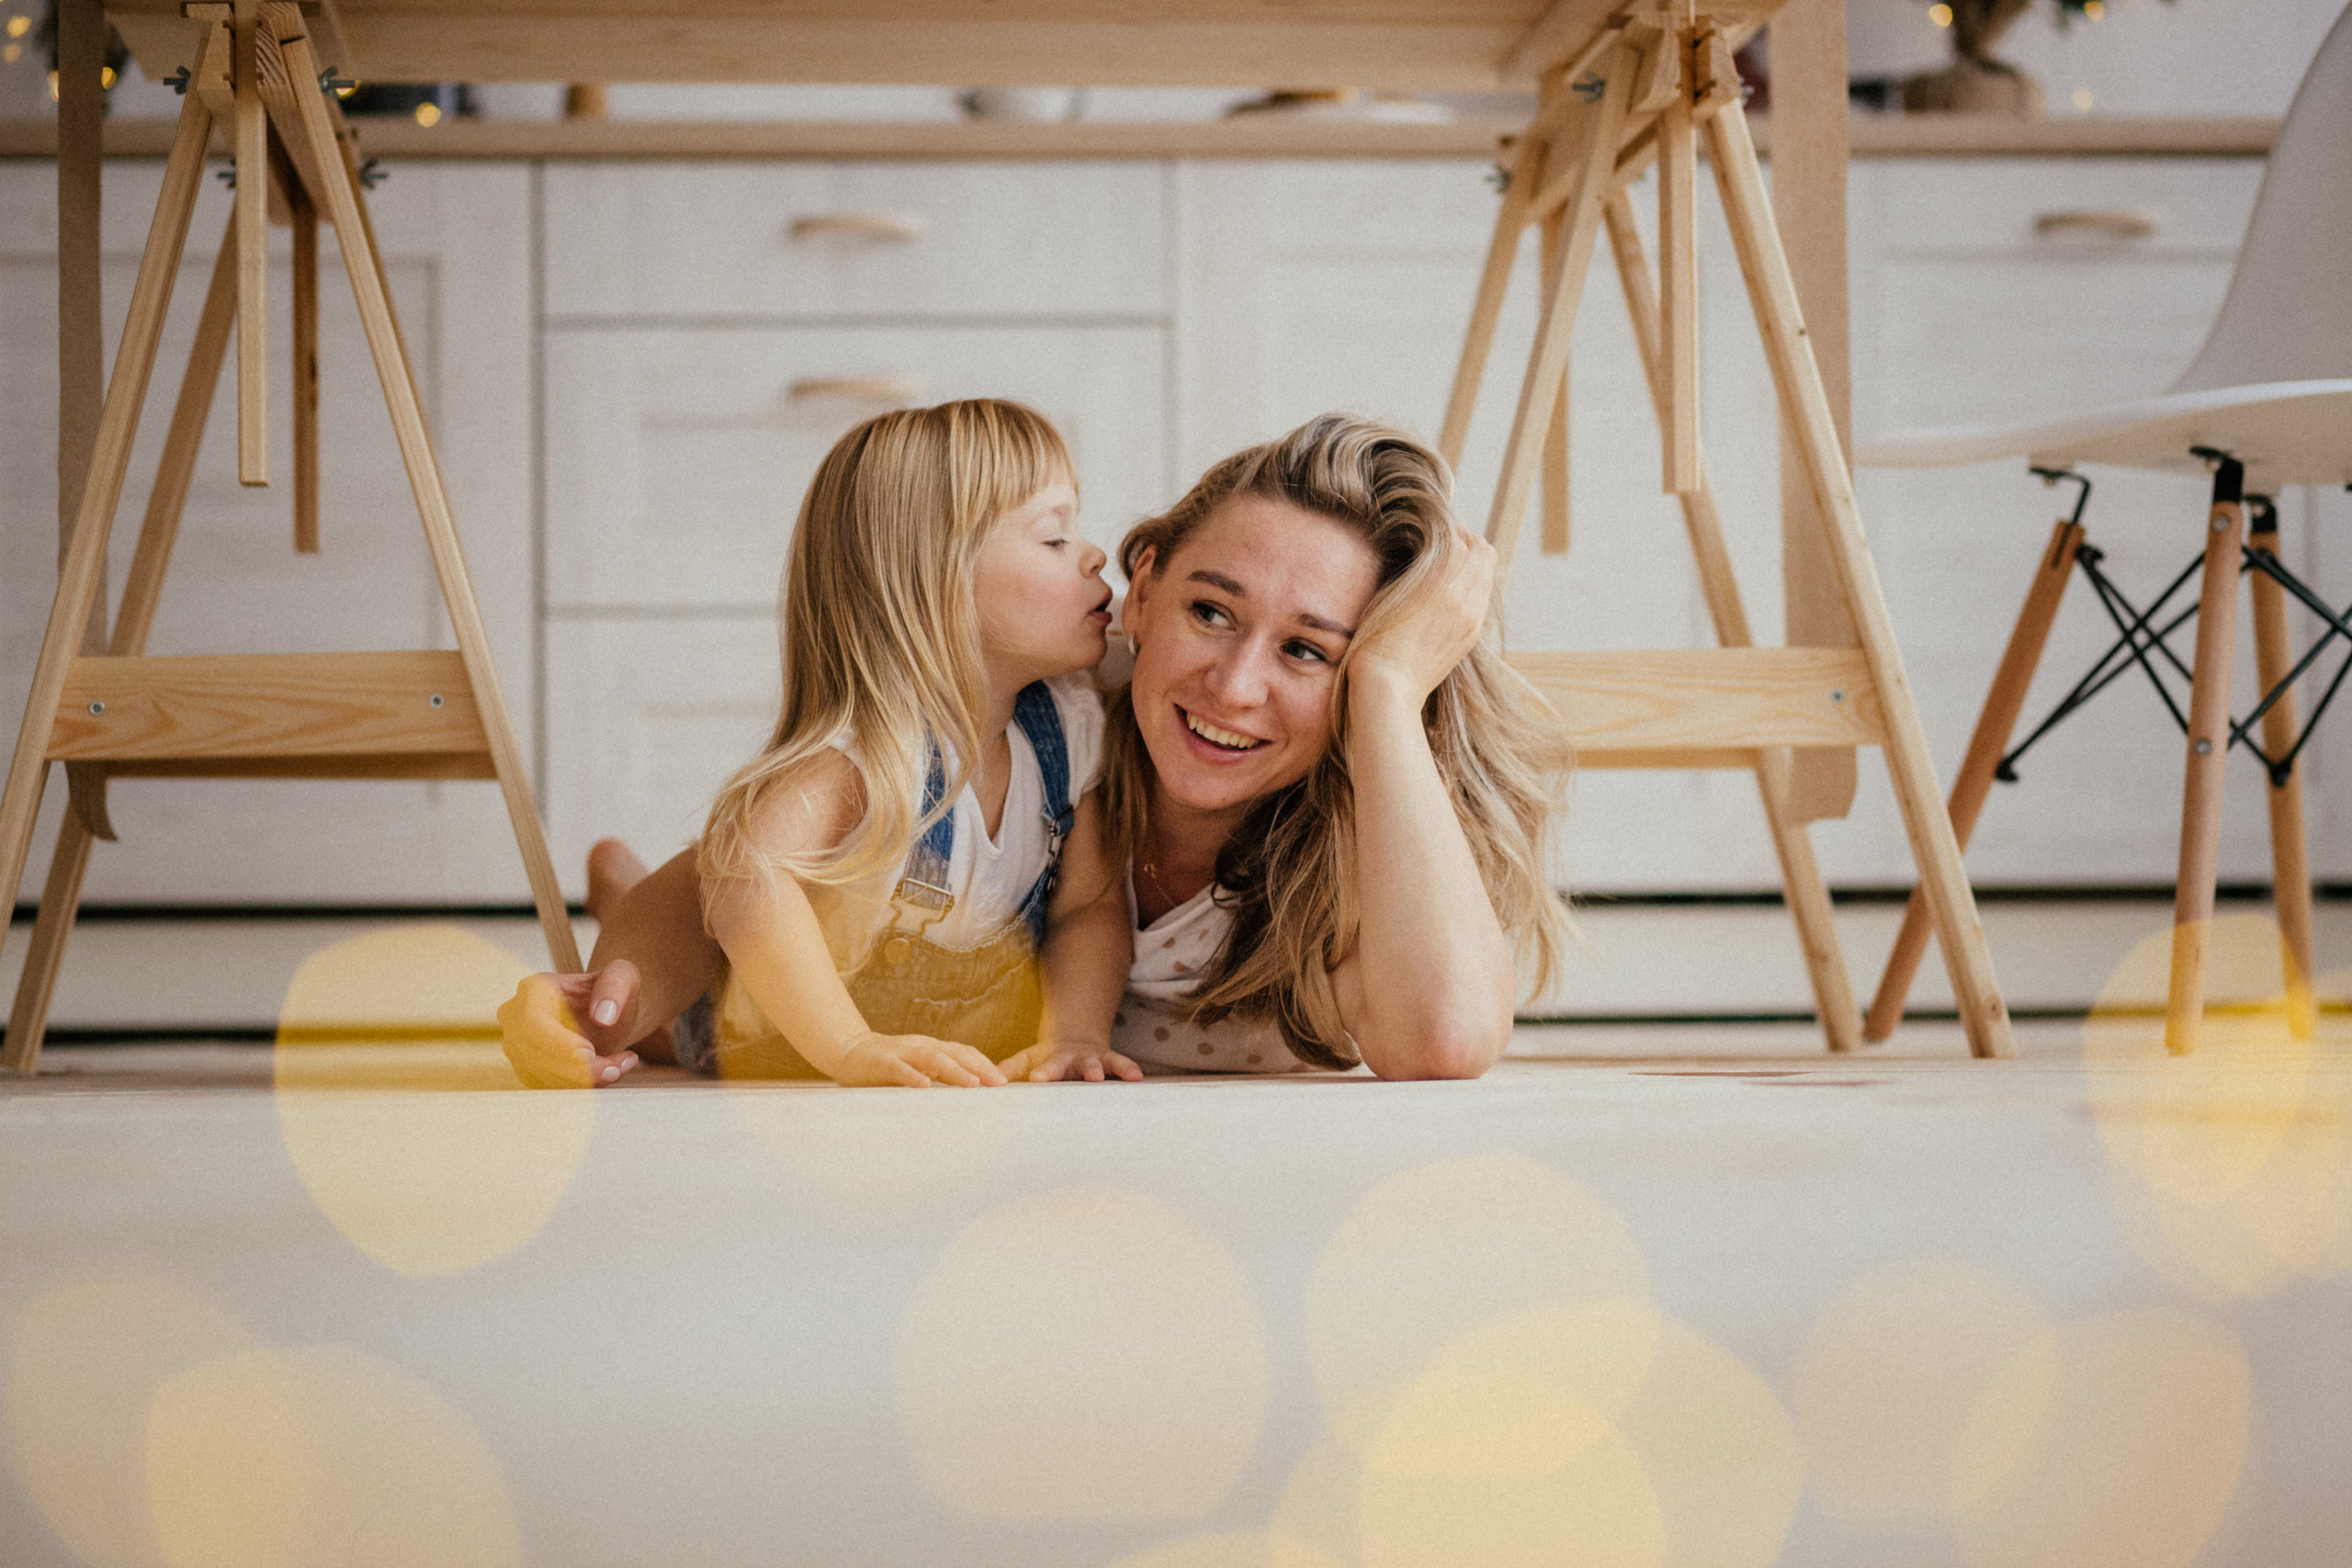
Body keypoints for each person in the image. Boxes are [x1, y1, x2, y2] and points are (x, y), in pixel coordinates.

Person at [503, 412, 1572, 1085]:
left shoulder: (1367, 824)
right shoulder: (1061, 699)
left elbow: (1441, 1043)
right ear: (1144, 587)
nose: (1235, 687)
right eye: (1209, 610)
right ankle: (615, 883)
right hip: (800, 1001)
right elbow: (730, 882)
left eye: (1309, 651)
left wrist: (1386, 694)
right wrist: (614, 997)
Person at [499, 399, 1132, 1089]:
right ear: (934, 582)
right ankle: (623, 892)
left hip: (944, 1026)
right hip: (760, 1015)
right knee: (707, 887)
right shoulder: (864, 752)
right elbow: (742, 880)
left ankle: (619, 881)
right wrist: (851, 1047)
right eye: (1054, 538)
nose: (1095, 553)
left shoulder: (1066, 734)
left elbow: (1087, 907)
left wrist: (1075, 1032)